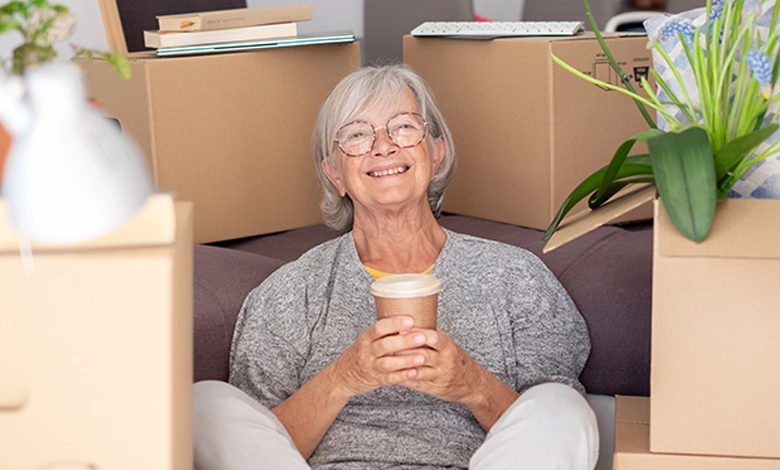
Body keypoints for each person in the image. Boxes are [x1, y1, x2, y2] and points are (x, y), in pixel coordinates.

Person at [193, 65, 599, 469]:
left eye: (403, 127)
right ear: (334, 173)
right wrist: (343, 377)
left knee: (562, 405)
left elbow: (550, 430)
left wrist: (472, 384)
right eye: (356, 135)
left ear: (436, 154)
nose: (383, 146)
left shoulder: (515, 277)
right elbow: (258, 440)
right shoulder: (291, 292)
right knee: (205, 404)